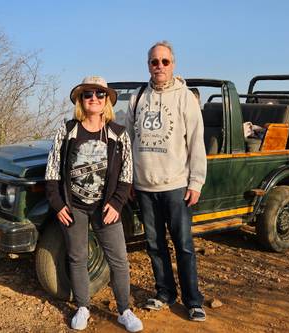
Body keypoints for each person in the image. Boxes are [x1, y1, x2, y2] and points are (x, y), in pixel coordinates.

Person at [44, 76, 143, 332]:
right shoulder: (66, 132)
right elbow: (52, 171)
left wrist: (117, 203)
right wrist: (58, 204)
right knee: (77, 257)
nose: (94, 98)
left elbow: (126, 174)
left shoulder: (118, 134)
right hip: (74, 206)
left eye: (100, 94)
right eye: (88, 94)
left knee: (119, 259)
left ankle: (124, 310)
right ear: (80, 99)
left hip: (106, 207)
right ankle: (83, 307)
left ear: (107, 100)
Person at [126, 41, 208, 322]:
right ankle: (164, 293)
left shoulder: (185, 98)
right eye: (154, 61)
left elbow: (197, 142)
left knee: (183, 246)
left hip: (175, 186)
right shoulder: (138, 98)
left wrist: (196, 181)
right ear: (147, 64)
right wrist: (129, 181)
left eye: (164, 61)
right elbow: (127, 142)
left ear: (173, 64)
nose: (159, 66)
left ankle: (193, 301)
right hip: (144, 187)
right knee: (154, 245)